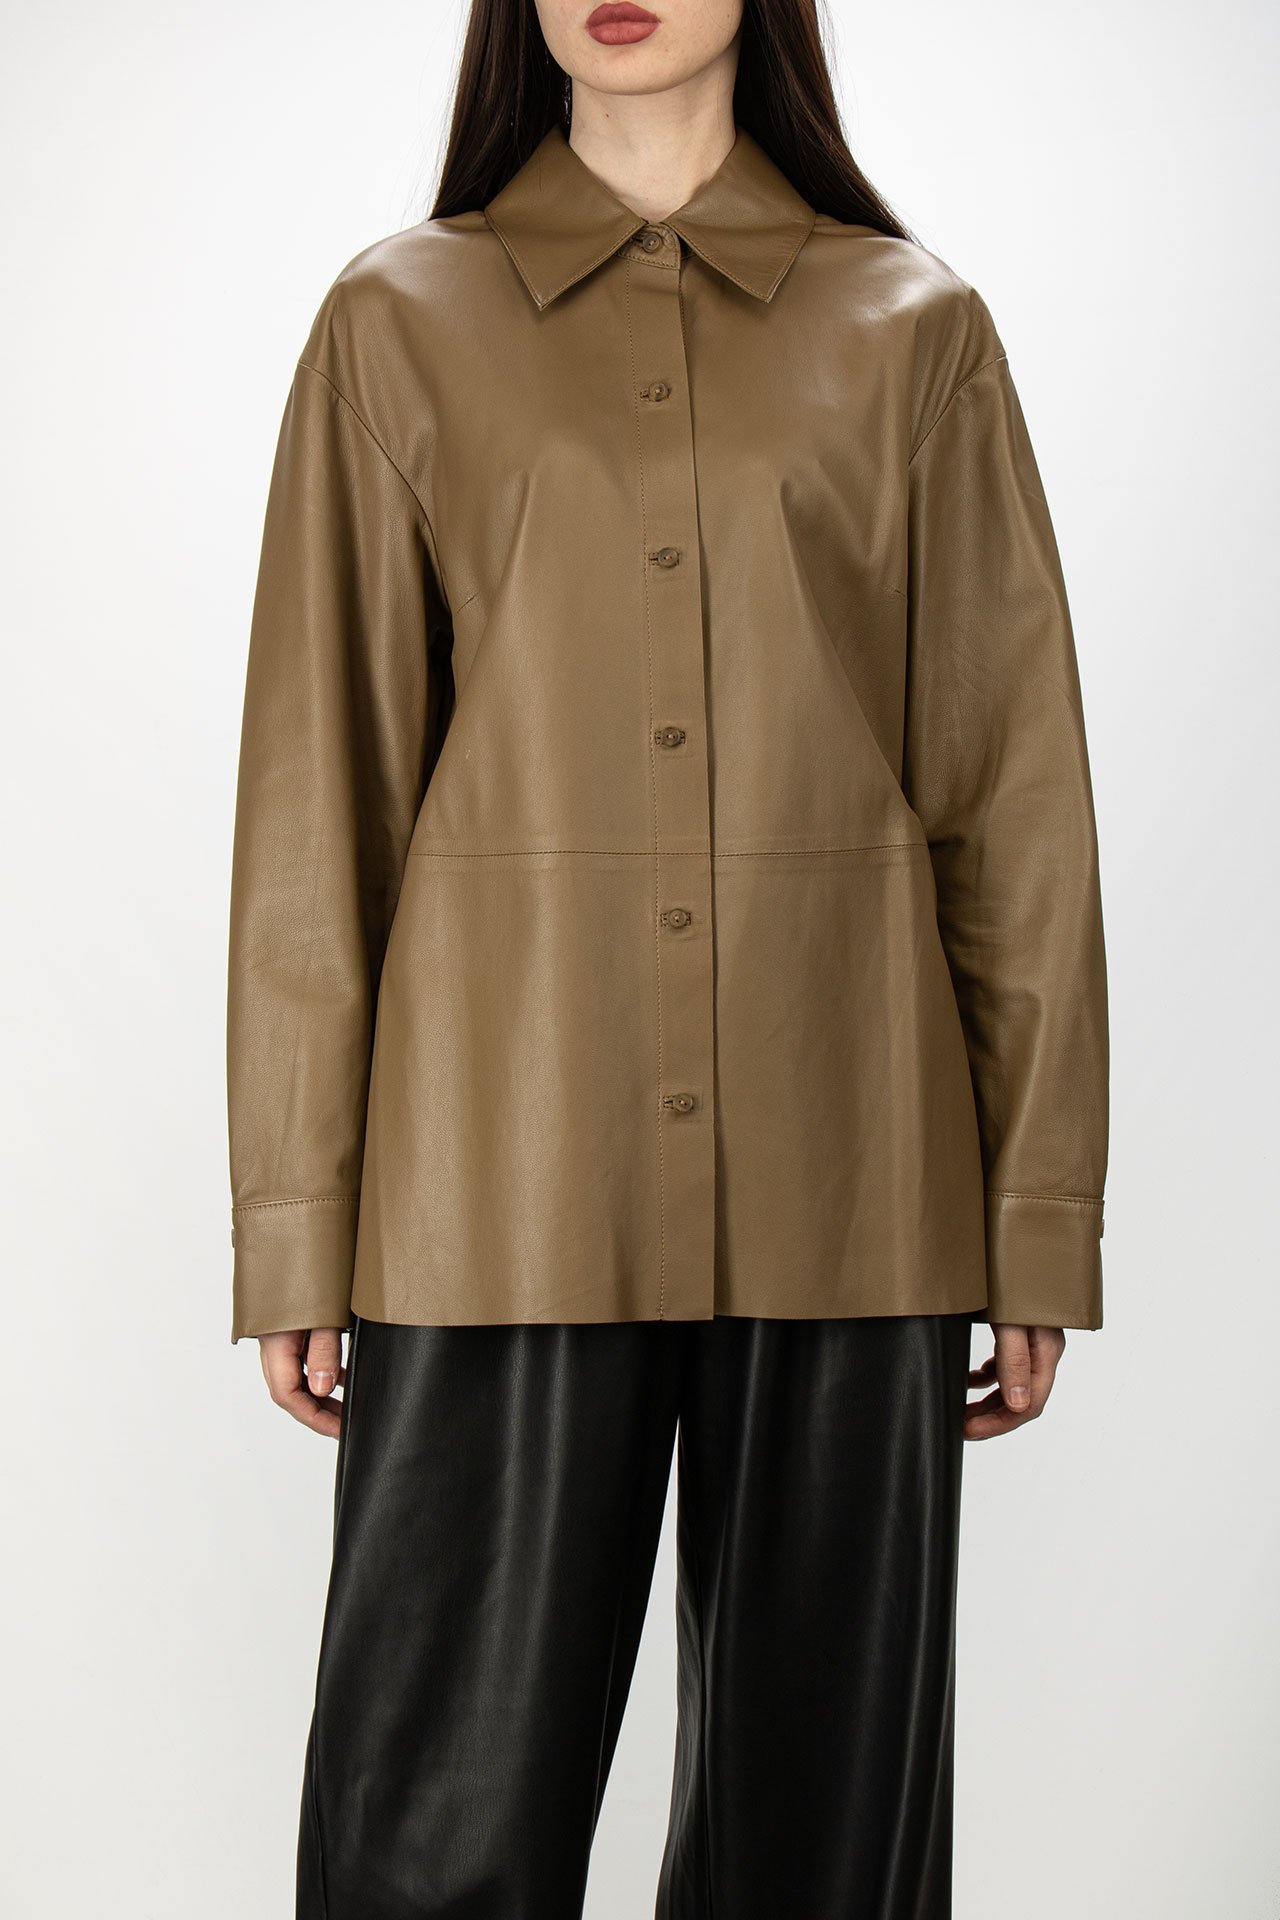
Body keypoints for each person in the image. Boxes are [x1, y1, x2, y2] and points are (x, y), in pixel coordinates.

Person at [225, 0, 1110, 1913]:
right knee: (427, 1847)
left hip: (853, 1179)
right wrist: (297, 1219)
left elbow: (1011, 801)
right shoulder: (395, 325)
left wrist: (1035, 1214)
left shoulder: (917, 332)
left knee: (828, 1861)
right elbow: (320, 803)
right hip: (494, 1184)